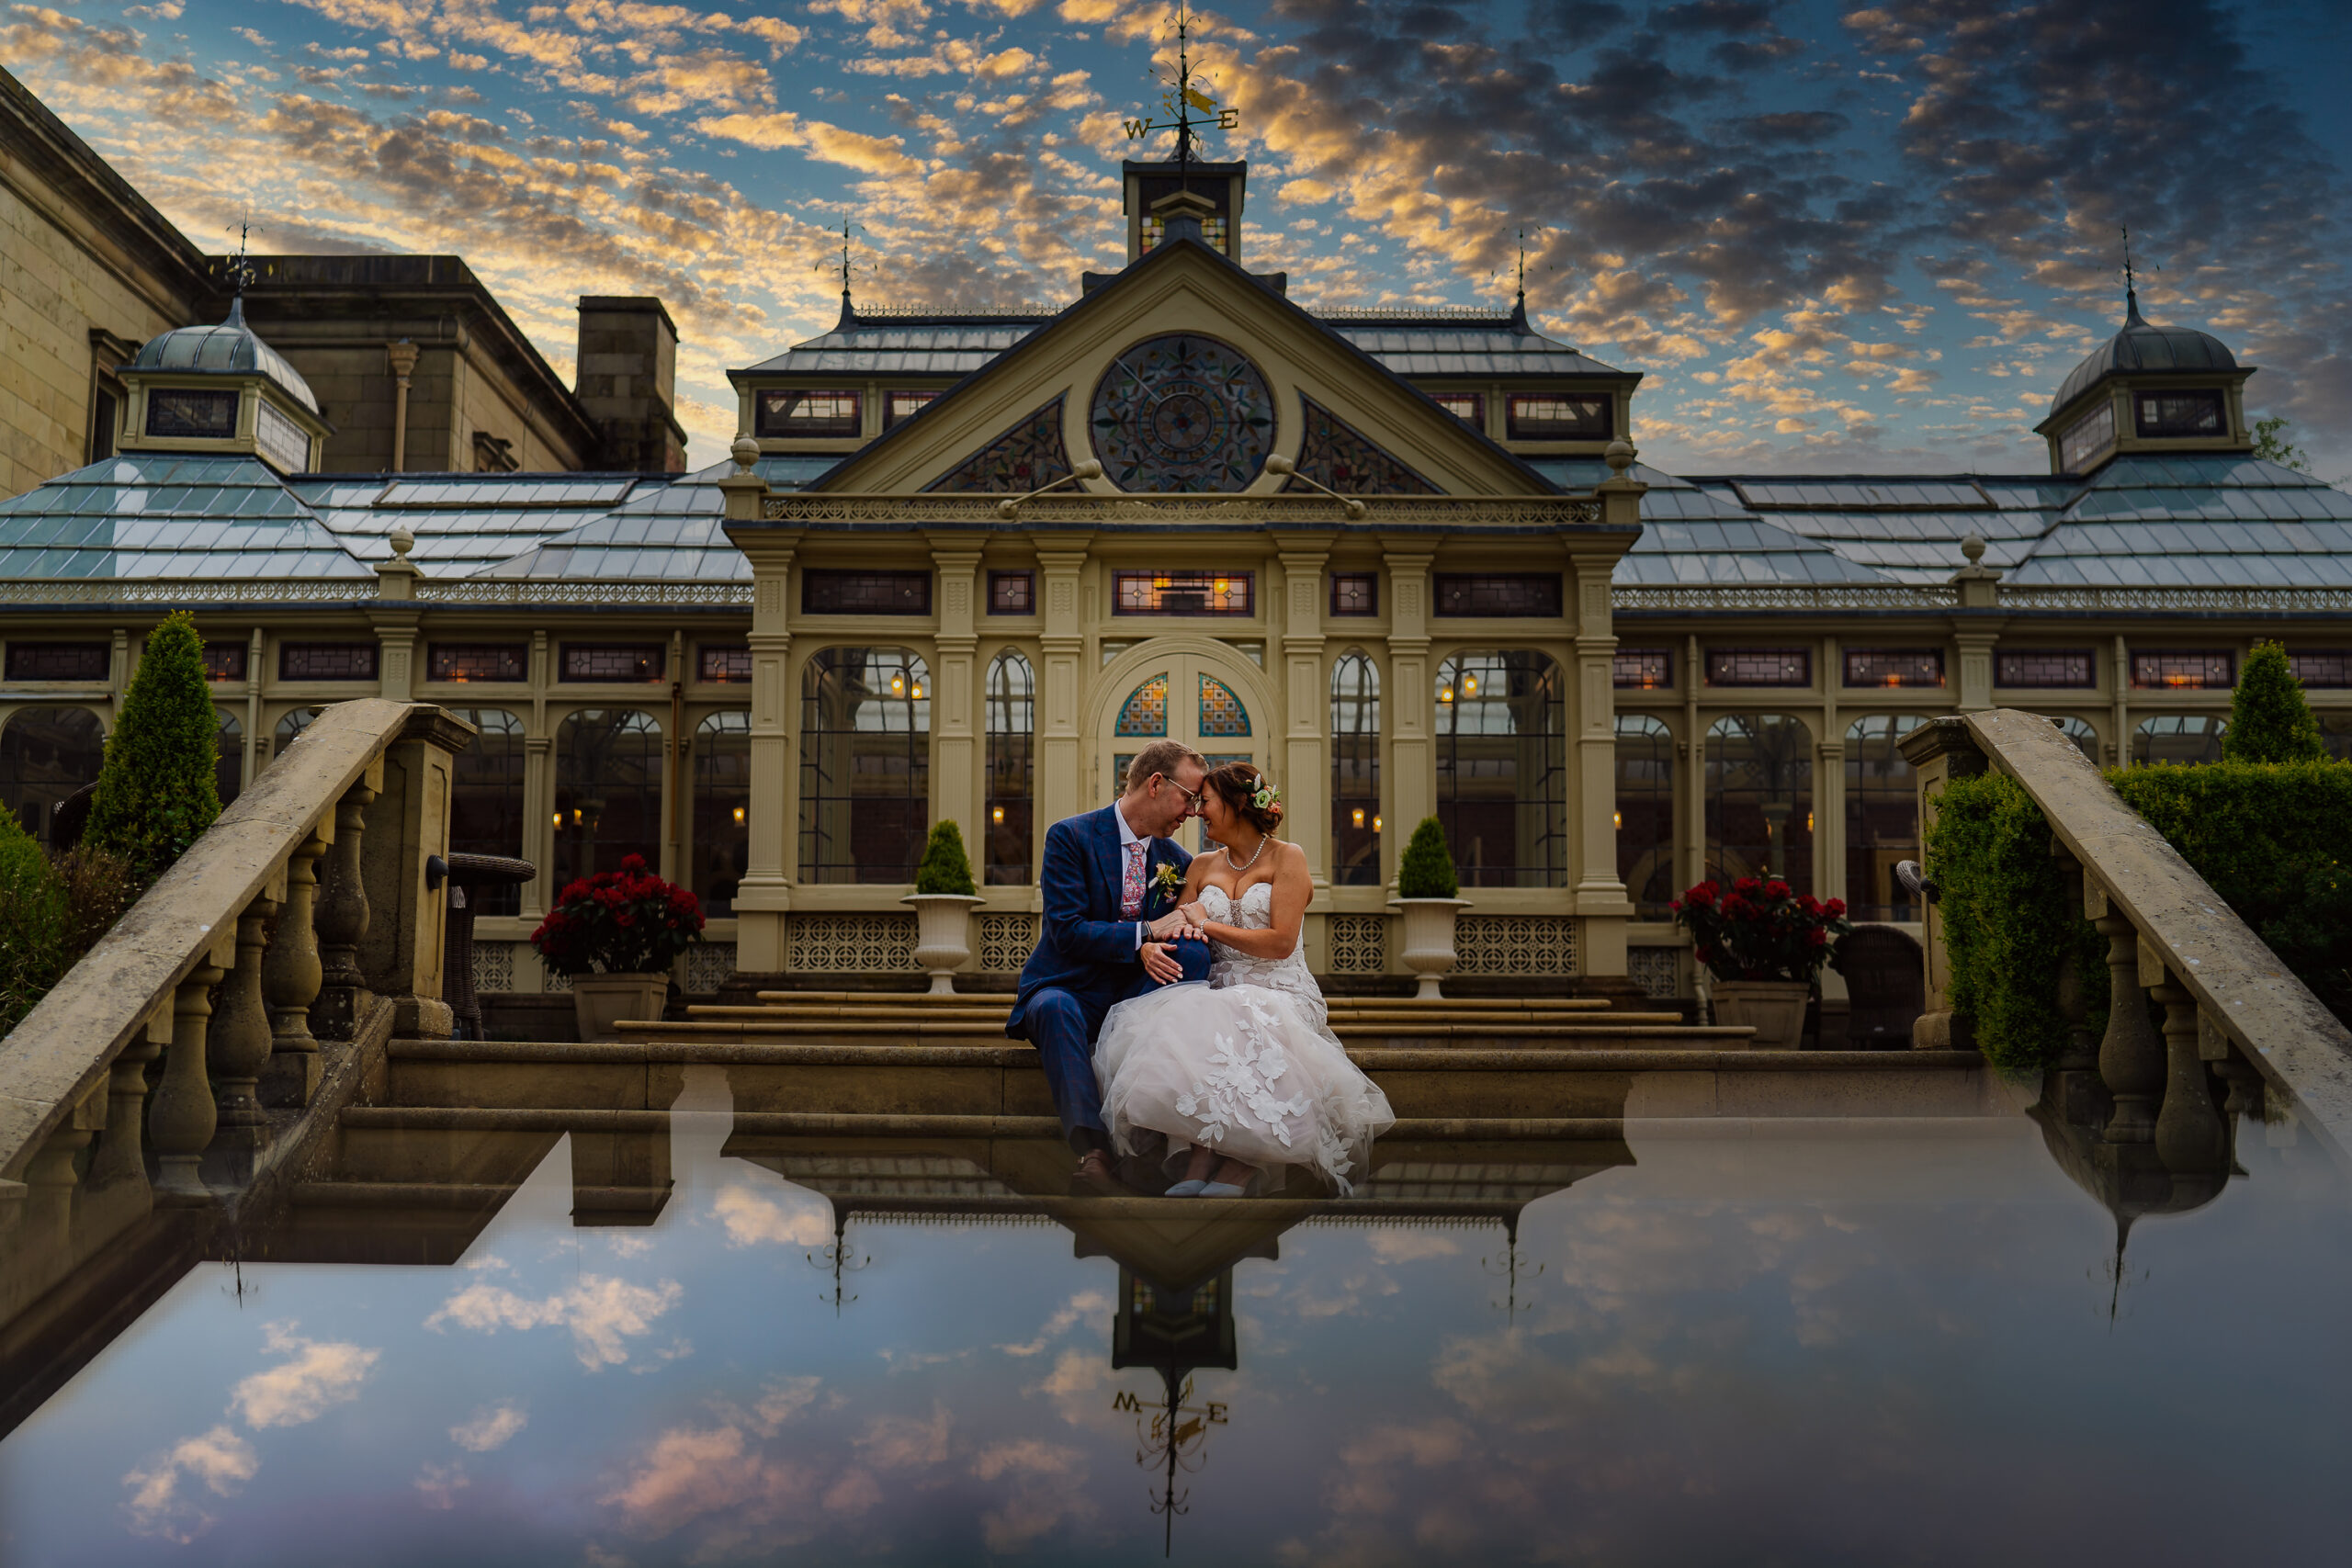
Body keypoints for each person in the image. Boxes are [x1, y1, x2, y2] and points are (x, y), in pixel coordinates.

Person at [1094, 763, 1396, 1197]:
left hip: (1280, 987)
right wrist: (1145, 942)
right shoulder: (1199, 866)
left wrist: (1210, 925)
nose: (1198, 812)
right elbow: (1177, 923)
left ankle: (1241, 1163)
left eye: (1207, 802)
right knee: (1192, 1015)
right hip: (1220, 986)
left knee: (1253, 1013)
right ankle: (1200, 1155)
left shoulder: (1287, 857)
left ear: (1238, 805)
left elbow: (1280, 942)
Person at [1005, 739, 1211, 1193]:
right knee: (1055, 1009)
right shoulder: (1070, 836)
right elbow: (1067, 929)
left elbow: (1178, 930)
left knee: (1196, 955)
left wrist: (1179, 935)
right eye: (1190, 797)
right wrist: (1144, 936)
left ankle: (1148, 1124)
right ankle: (1094, 1151)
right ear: (1156, 784)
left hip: (1135, 994)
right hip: (1068, 986)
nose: (1194, 812)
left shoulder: (1177, 861)